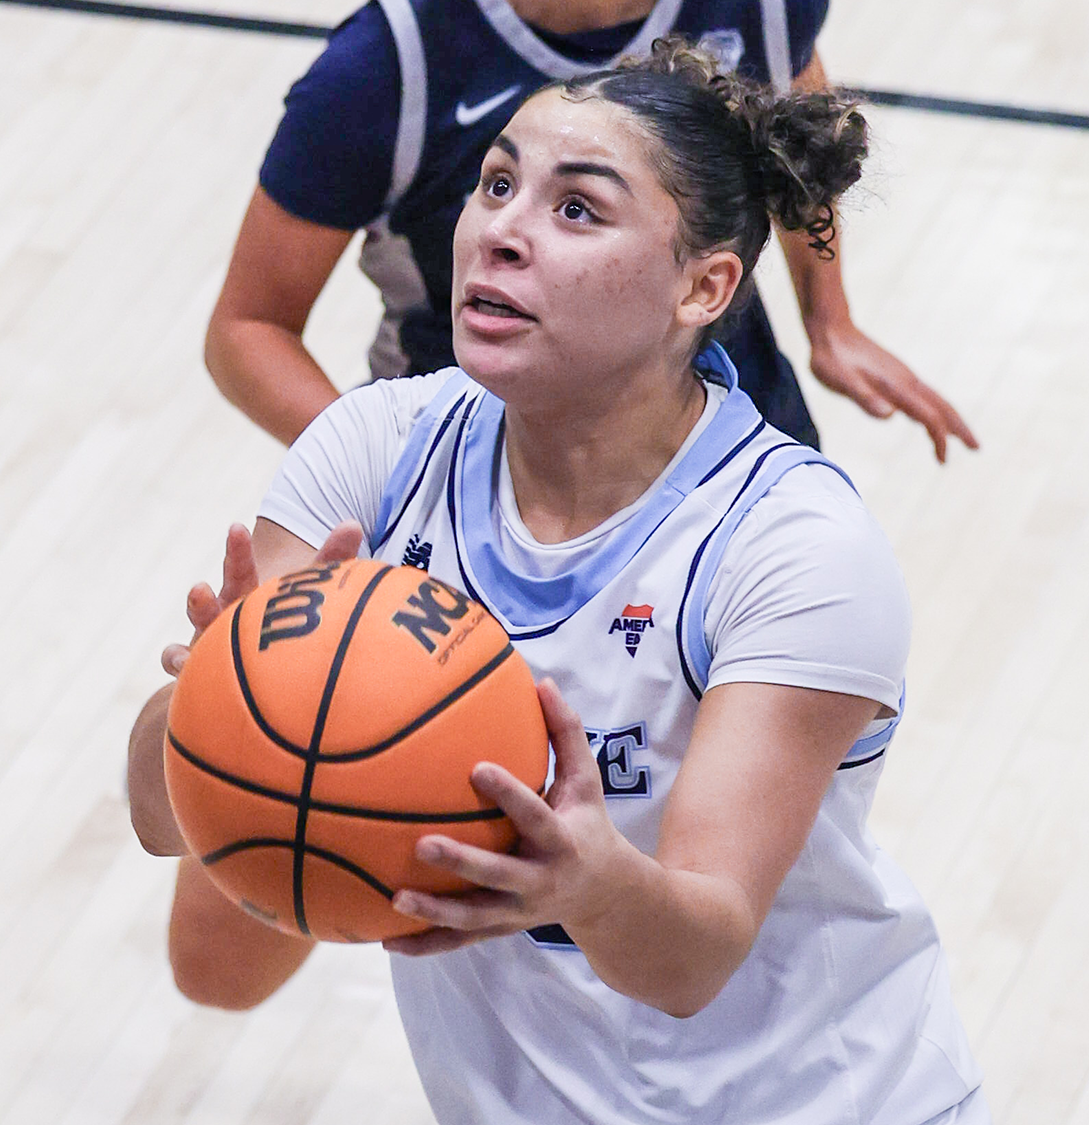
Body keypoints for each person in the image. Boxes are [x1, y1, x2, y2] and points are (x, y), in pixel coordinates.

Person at [131, 41, 987, 1122]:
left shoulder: (793, 546)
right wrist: (209, 704)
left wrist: (583, 882)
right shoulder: (375, 451)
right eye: (496, 184)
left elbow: (691, 957)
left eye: (576, 210)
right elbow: (162, 821)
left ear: (702, 285)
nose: (500, 230)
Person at [205, 0, 979, 459]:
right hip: (475, 463)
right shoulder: (381, 68)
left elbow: (790, 101)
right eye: (497, 184)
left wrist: (828, 314)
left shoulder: (765, 6)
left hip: (725, 426)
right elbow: (248, 326)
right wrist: (383, 470)